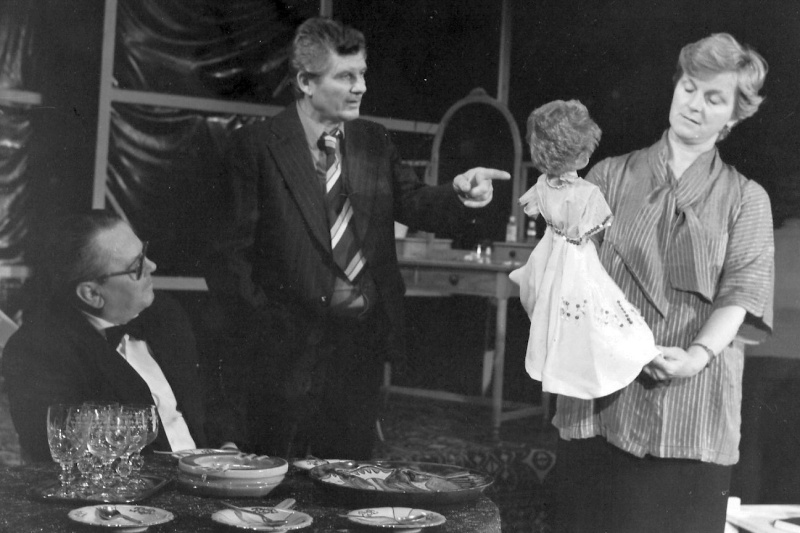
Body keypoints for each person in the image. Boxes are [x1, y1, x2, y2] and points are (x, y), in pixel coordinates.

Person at [204, 16, 509, 460]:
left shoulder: (373, 139)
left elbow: (412, 201)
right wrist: (270, 325)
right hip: (285, 351)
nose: (361, 87)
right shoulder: (256, 146)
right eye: (346, 76)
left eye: (362, 73)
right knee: (279, 475)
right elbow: (227, 257)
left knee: (349, 476)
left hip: (361, 347)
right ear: (306, 82)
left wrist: (459, 194)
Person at [550, 33, 773, 533]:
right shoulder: (608, 176)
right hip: (600, 402)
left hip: (693, 410)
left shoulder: (747, 199)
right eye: (689, 88)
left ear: (734, 116)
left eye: (713, 98)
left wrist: (696, 356)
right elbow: (571, 275)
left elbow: (740, 293)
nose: (694, 104)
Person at [2, 210, 239, 461]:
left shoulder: (165, 314)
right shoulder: (38, 351)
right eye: (136, 266)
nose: (152, 266)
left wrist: (228, 450)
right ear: (92, 294)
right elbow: (63, 456)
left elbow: (209, 398)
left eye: (144, 253)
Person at [509, 100, 659, 399]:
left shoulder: (542, 185)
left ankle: (565, 363)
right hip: (574, 254)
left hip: (549, 251)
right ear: (579, 156)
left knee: (556, 307)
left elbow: (535, 210)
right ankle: (589, 364)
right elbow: (593, 227)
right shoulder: (587, 193)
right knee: (593, 305)